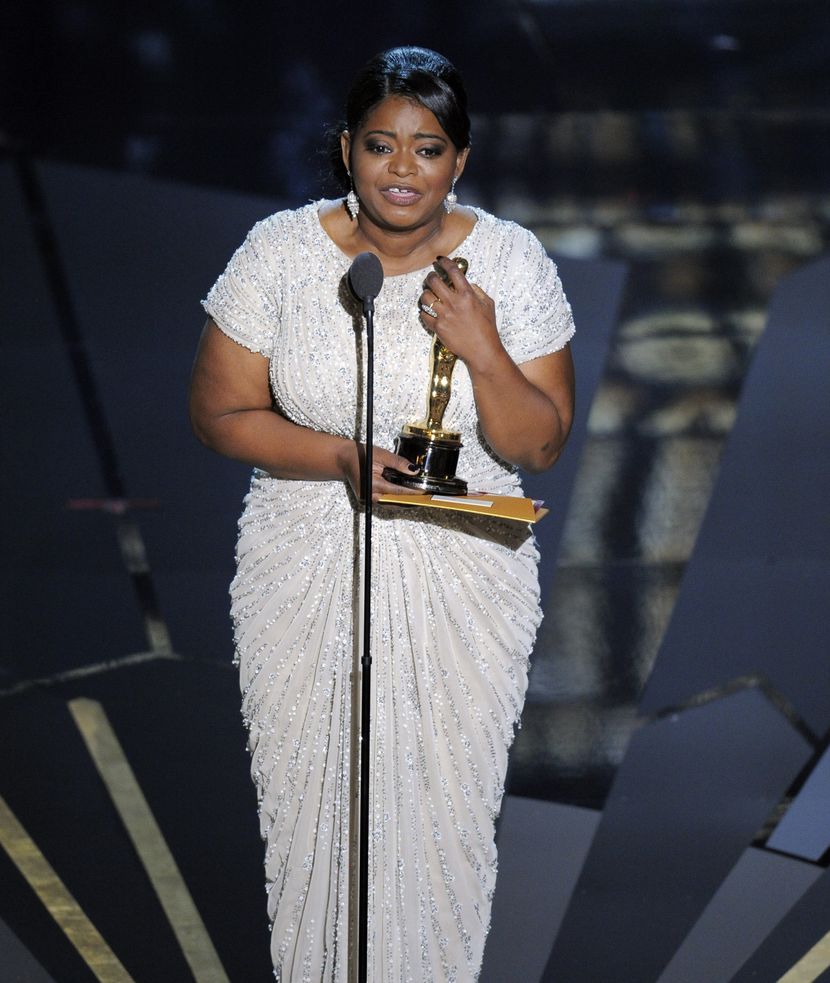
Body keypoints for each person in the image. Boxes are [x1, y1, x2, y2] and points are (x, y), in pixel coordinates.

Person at [189, 45, 575, 982]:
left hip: (462, 573)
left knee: (442, 809)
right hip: (308, 557)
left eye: (429, 148)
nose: (403, 170)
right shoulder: (280, 252)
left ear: (461, 161)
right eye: (381, 145)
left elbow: (540, 443)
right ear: (347, 149)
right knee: (315, 808)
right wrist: (342, 460)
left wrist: (484, 347)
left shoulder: (512, 261)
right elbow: (218, 412)